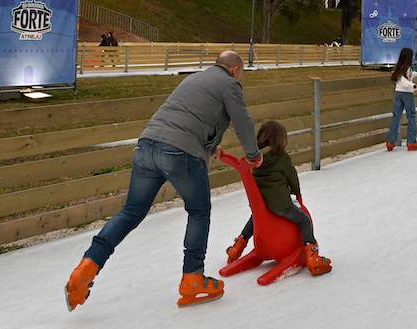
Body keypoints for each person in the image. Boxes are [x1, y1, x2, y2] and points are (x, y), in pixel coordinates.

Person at [64, 51, 263, 310]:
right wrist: (253, 155)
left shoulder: (193, 79)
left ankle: (88, 266)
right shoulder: (230, 84)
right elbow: (242, 120)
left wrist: (210, 146)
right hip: (180, 153)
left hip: (147, 146)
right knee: (199, 211)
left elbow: (191, 118)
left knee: (130, 212)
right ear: (235, 69)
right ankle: (193, 277)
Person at [225, 121, 332, 276]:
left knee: (255, 218)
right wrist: (297, 193)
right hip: (280, 205)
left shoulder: (254, 159)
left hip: (261, 206)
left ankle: (237, 247)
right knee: (304, 221)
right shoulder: (281, 157)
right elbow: (292, 176)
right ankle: (312, 255)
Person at [387, 47, 417, 151]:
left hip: (398, 94)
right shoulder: (406, 68)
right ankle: (411, 142)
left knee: (396, 117)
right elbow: (404, 82)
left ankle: (390, 141)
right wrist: (415, 86)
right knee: (411, 116)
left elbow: (408, 75)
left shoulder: (400, 67)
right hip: (407, 94)